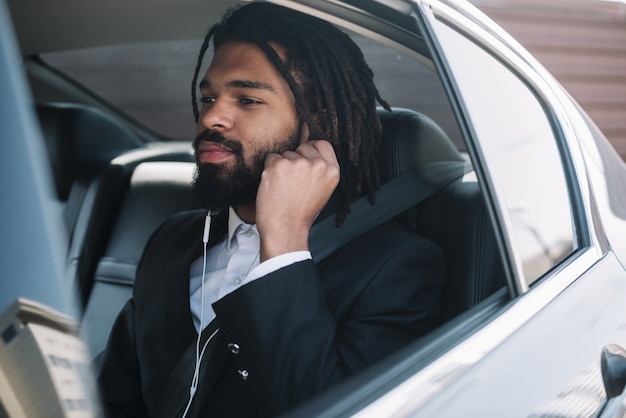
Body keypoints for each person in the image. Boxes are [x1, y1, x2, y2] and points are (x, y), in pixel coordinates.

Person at [97, 3, 446, 417]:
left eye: (247, 99)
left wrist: (283, 241)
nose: (211, 116)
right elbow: (113, 398)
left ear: (317, 122)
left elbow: (325, 408)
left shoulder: (394, 266)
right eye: (208, 96)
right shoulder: (172, 240)